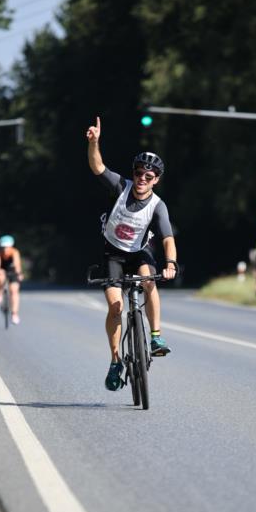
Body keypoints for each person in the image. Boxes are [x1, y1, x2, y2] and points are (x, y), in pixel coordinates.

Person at [86, 115, 178, 392]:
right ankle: (115, 361)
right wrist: (94, 142)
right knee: (116, 307)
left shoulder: (158, 206)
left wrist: (171, 263)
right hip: (112, 254)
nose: (141, 179)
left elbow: (168, 238)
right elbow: (98, 166)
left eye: (148, 176)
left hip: (139, 254)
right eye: (138, 173)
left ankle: (156, 336)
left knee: (149, 281)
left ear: (156, 180)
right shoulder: (120, 187)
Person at [0, 235, 23, 325]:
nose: (5, 249)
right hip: (2, 269)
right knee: (0, 276)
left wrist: (19, 274)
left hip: (12, 270)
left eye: (7, 247)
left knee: (14, 291)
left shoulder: (15, 252)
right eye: (3, 247)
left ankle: (14, 314)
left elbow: (17, 265)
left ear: (11, 246)